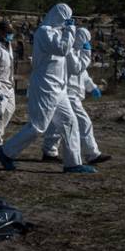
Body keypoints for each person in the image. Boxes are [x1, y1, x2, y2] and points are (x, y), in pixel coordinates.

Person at [0, 3, 97, 174]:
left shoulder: (59, 33)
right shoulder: (44, 32)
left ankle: (73, 163)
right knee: (38, 126)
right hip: (45, 87)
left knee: (69, 122)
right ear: (58, 17)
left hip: (60, 89)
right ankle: (6, 152)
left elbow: (70, 63)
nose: (68, 22)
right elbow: (62, 49)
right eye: (66, 19)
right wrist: (70, 30)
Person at [42, 27, 112, 165]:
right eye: (86, 40)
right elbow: (77, 68)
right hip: (68, 94)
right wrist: (87, 52)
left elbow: (83, 75)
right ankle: (92, 154)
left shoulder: (76, 53)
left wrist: (92, 87)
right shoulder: (69, 53)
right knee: (84, 122)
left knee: (56, 124)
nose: (88, 43)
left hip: (69, 94)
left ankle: (49, 151)